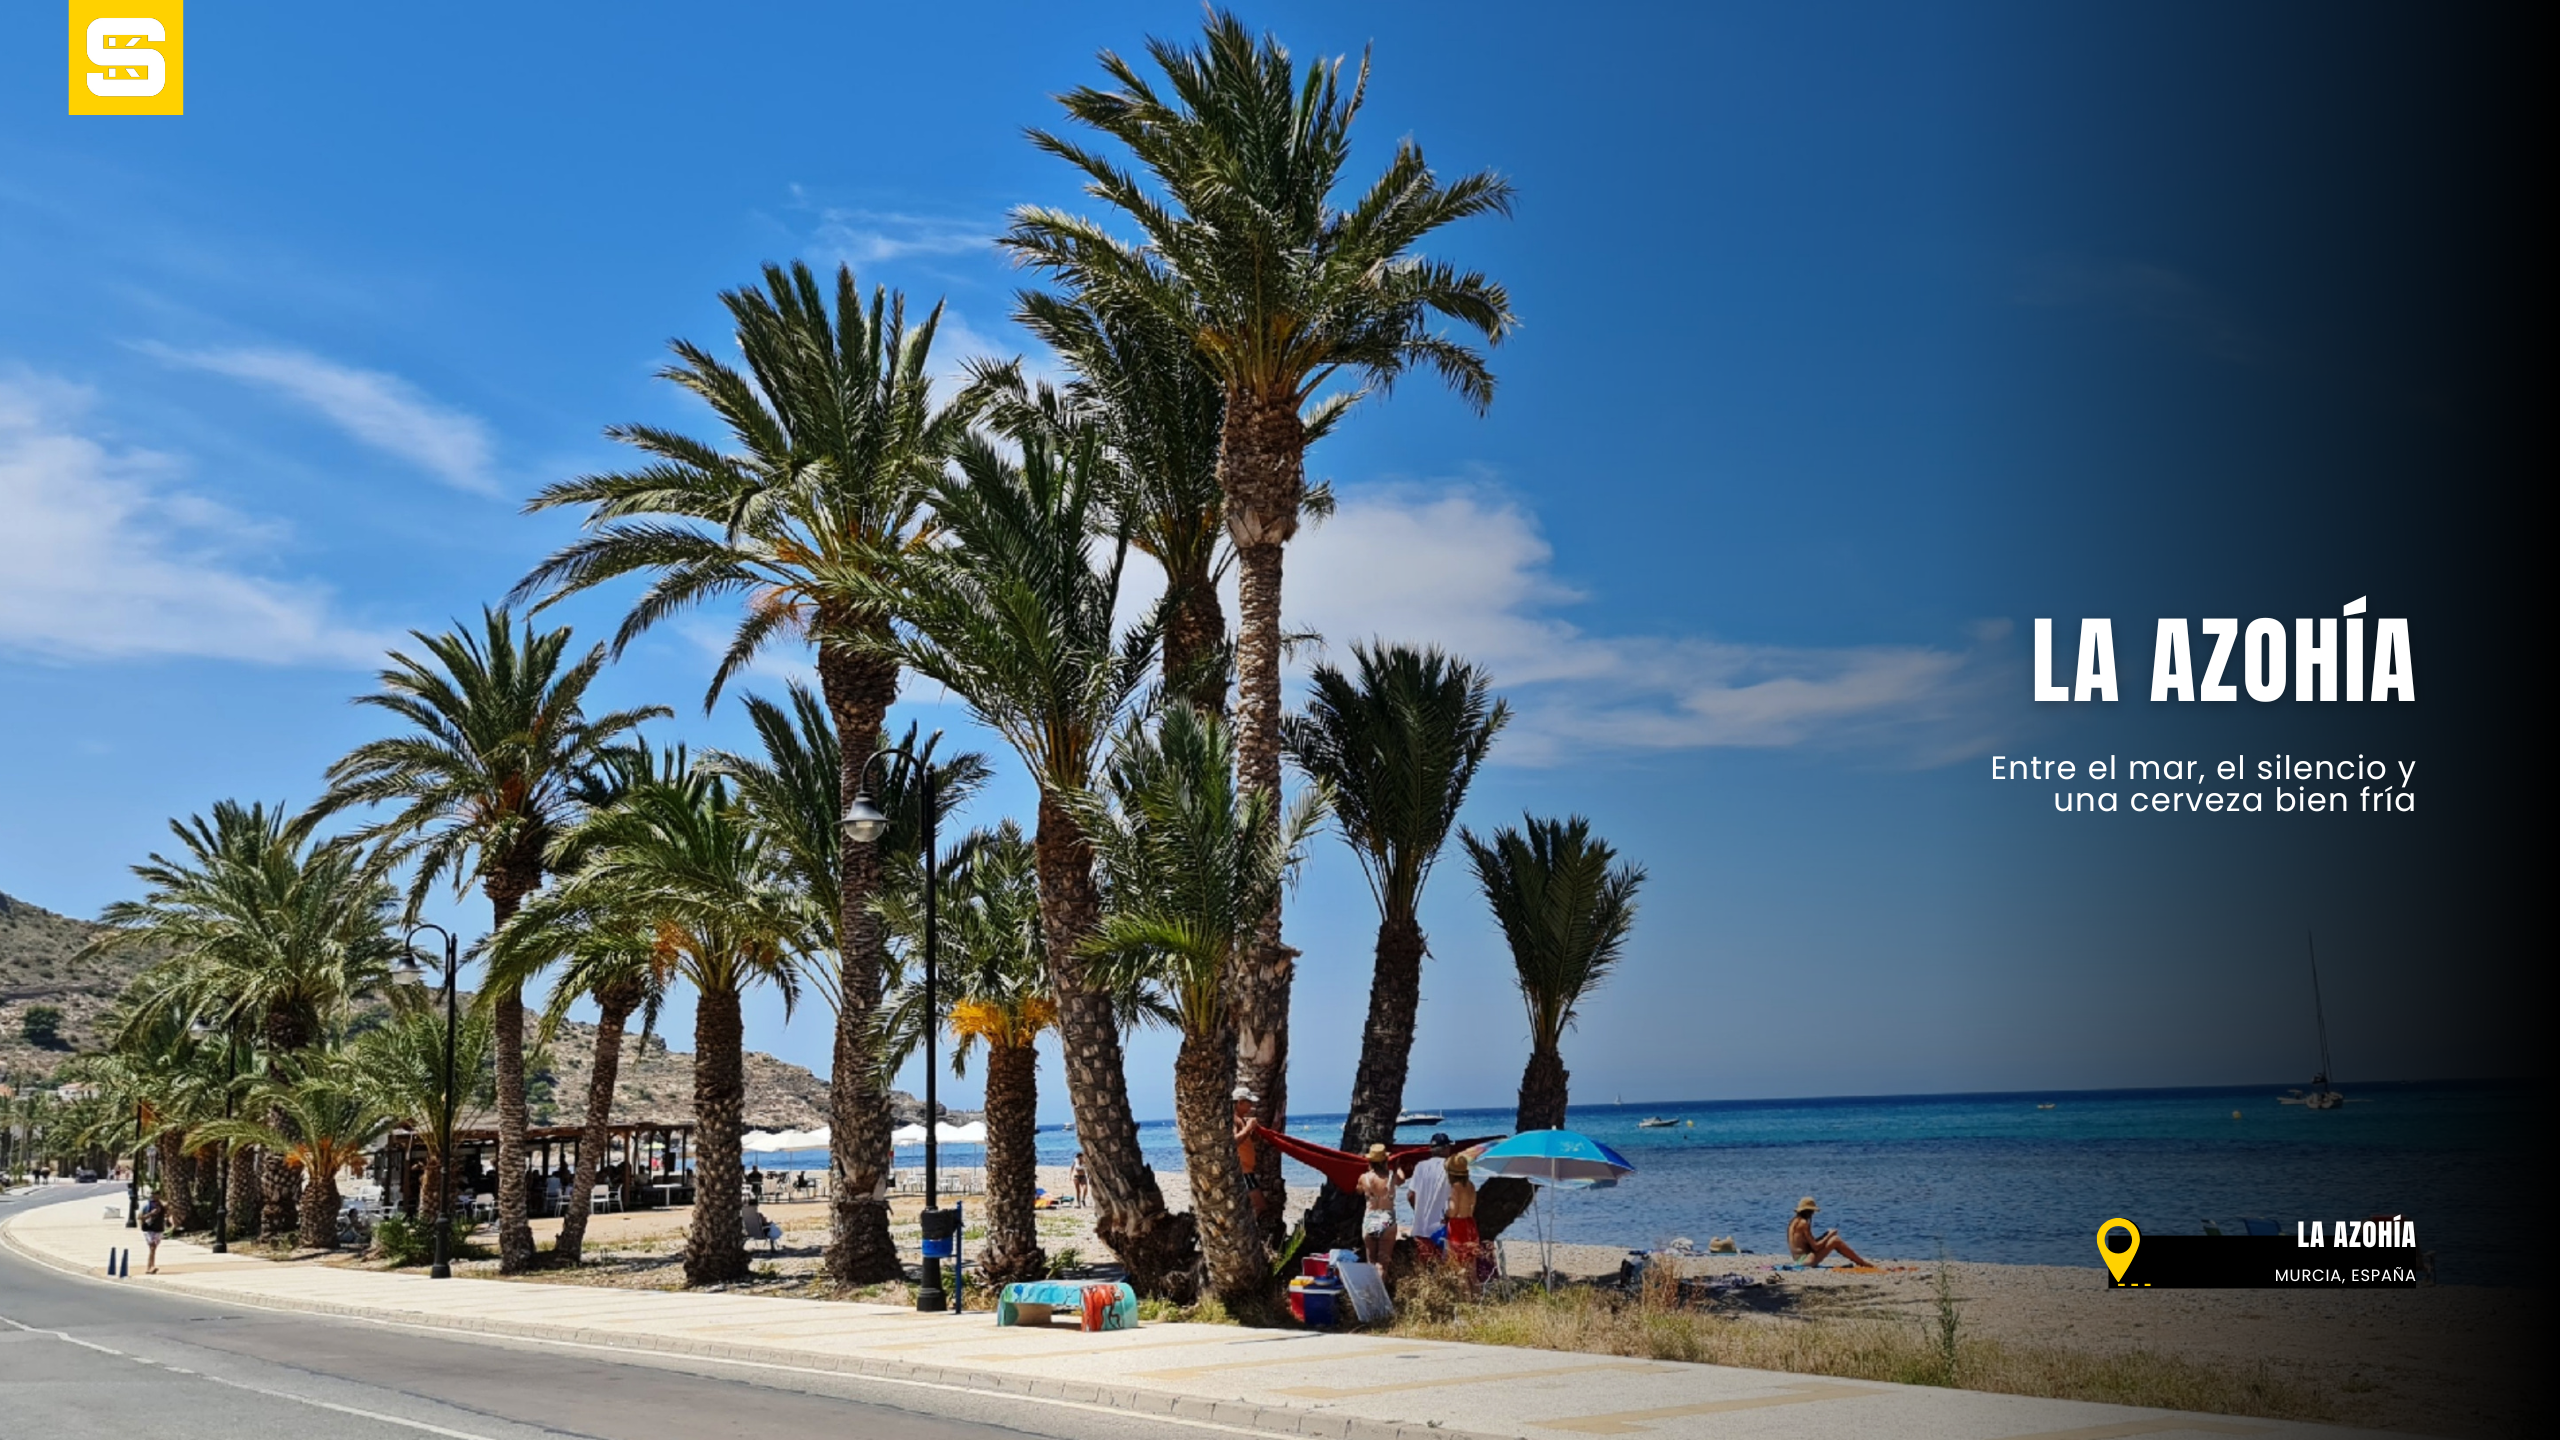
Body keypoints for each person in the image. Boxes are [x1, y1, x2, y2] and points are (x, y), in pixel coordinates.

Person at [1786, 1196, 1873, 1268]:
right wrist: (1830, 1235)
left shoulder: (1793, 1222)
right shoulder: (1804, 1223)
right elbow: (1815, 1247)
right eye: (1812, 1212)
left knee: (1832, 1238)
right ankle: (1862, 1263)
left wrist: (1824, 1236)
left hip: (1798, 1260)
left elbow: (1807, 1244)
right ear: (1809, 1211)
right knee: (1835, 1240)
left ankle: (1861, 1262)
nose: (1812, 1214)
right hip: (1806, 1260)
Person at [1405, 1134, 1454, 1258]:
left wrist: (1419, 1211)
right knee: (1442, 1267)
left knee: (1425, 1267)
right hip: (1441, 1227)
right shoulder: (1450, 1167)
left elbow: (1411, 1195)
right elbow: (1454, 1196)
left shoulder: (1420, 1167)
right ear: (1445, 1148)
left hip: (1420, 1226)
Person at [1232, 1087, 1271, 1223]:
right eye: (1249, 1102)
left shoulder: (1241, 1120)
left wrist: (1252, 1130)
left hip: (1248, 1171)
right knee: (1259, 1207)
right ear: (1240, 1102)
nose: (1251, 1106)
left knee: (1256, 1207)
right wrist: (1248, 1128)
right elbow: (1233, 1141)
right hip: (1243, 1172)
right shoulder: (1234, 1120)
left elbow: (1248, 1141)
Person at [1357, 1143, 1399, 1265]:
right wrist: (1396, 1166)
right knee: (1382, 1265)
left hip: (1370, 1218)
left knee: (1371, 1262)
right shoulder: (1392, 1176)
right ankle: (1381, 1284)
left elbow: (1358, 1190)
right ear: (1386, 1159)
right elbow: (1402, 1180)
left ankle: (1370, 1284)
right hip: (1387, 1219)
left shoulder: (1363, 1178)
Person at [1444, 1153, 1480, 1283]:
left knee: (1459, 1268)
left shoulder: (1455, 1188)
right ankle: (1476, 1298)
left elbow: (1453, 1211)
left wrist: (1446, 1214)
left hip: (1458, 1226)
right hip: (1470, 1223)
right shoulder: (1471, 1186)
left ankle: (1464, 1299)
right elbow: (1473, 1207)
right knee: (1472, 1268)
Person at [138, 1190, 168, 1273]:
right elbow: (140, 1217)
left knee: (153, 1249)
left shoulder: (163, 1205)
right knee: (152, 1247)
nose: (153, 1196)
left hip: (159, 1229)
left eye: (155, 1195)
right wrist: (150, 1214)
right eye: (152, 1194)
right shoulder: (146, 1205)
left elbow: (168, 1213)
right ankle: (150, 1267)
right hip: (148, 1229)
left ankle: (150, 1267)